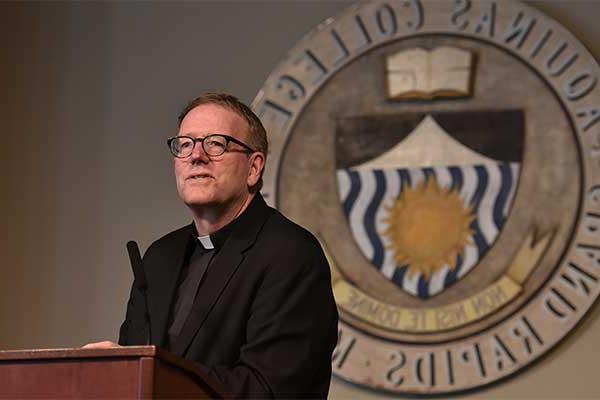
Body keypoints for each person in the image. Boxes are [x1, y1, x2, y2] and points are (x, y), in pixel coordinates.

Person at [84, 93, 339, 398]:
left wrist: (154, 374)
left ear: (254, 168)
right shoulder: (159, 258)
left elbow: (269, 389)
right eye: (185, 144)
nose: (196, 156)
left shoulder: (291, 254)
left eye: (216, 144)